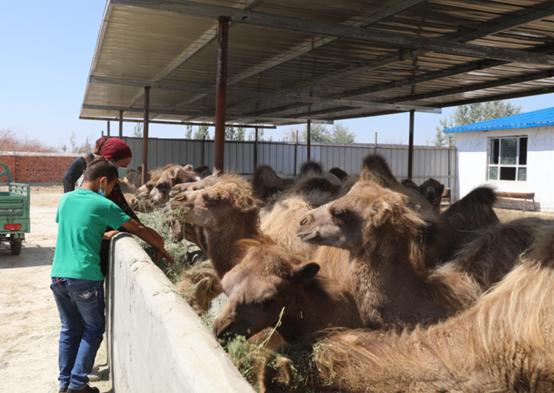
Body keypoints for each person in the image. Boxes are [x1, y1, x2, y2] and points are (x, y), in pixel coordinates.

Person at [50, 158, 174, 393]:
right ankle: (77, 385)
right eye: (111, 186)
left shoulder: (65, 200)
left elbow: (77, 228)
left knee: (69, 330)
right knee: (93, 329)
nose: (110, 191)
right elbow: (137, 228)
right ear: (103, 181)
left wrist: (102, 234)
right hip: (84, 276)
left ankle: (64, 383)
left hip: (58, 276)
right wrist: (160, 243)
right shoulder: (103, 204)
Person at [63, 137, 138, 275]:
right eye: (125, 162)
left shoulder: (102, 167)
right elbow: (68, 178)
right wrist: (138, 227)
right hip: (94, 224)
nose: (127, 165)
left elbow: (119, 202)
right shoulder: (100, 167)